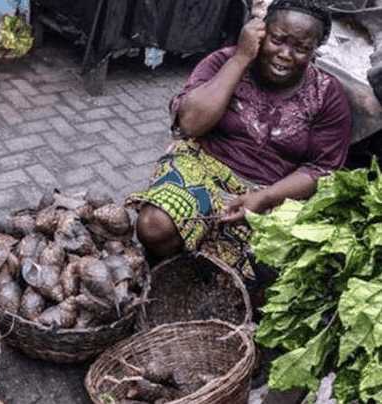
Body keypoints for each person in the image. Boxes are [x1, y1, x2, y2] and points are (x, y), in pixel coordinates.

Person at [128, 0, 352, 277]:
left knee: (269, 272)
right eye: (277, 40)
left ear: (315, 50)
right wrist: (241, 58)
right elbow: (189, 124)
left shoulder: (327, 94)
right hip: (203, 167)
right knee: (155, 225)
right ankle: (165, 274)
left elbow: (322, 168)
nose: (285, 54)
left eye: (301, 48)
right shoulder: (225, 61)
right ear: (261, 31)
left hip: (274, 190)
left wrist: (265, 197)